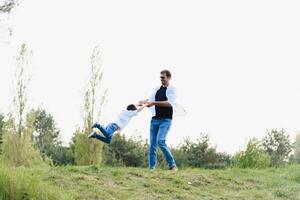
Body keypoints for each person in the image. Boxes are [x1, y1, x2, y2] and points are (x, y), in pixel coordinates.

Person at [140, 69, 179, 171]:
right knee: (152, 145)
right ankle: (151, 168)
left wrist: (154, 103)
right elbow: (150, 99)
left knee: (160, 141)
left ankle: (172, 165)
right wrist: (144, 102)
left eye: (163, 77)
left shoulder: (172, 89)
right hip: (154, 120)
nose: (161, 79)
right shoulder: (157, 89)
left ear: (168, 77)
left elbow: (170, 103)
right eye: (160, 78)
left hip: (166, 120)